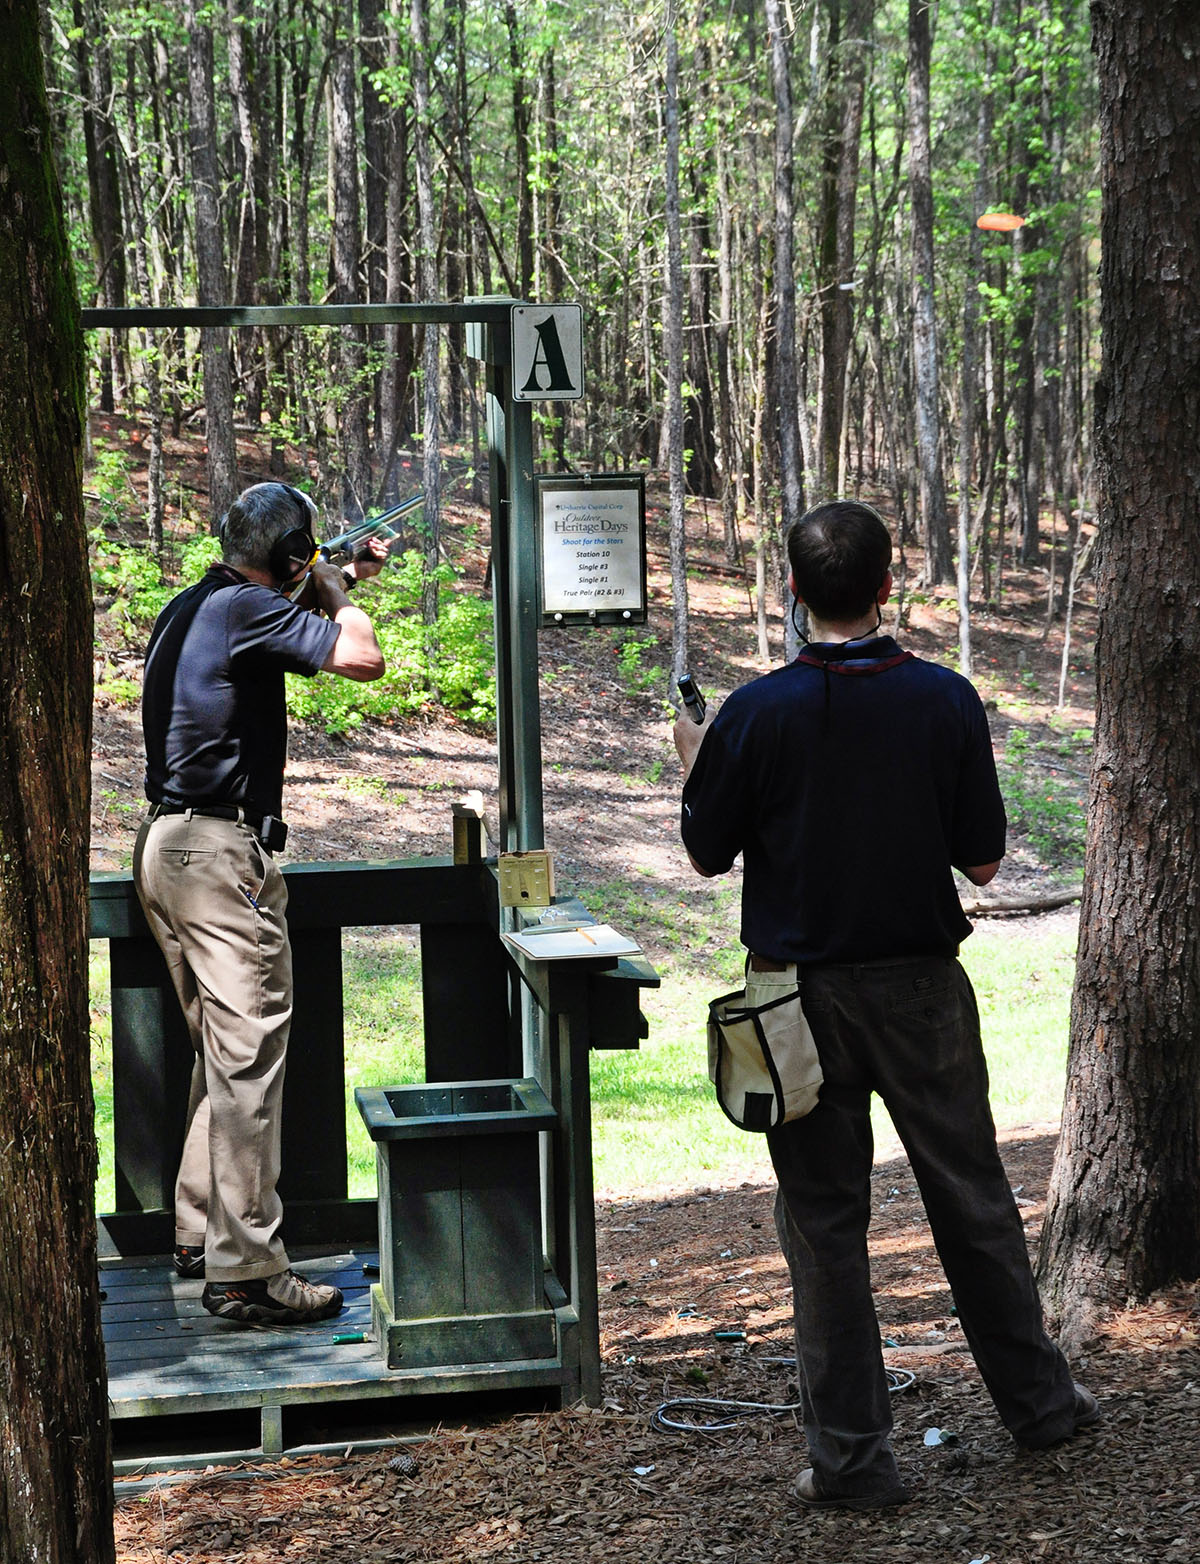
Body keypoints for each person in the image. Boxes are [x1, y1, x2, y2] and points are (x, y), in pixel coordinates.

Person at [673, 500, 1097, 1510]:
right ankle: (1040, 1407)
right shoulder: (945, 700)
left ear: (792, 594)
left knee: (823, 1230)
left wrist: (697, 759)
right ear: (886, 587)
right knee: (973, 1197)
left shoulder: (754, 712)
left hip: (795, 1002)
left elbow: (703, 852)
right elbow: (985, 862)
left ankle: (854, 1463)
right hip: (920, 992)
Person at [133, 481, 386, 1325]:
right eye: (301, 558)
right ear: (285, 559)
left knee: (222, 1054)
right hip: (215, 854)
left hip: (169, 850)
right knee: (247, 1063)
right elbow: (360, 656)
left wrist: (327, 576)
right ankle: (245, 1272)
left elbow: (288, 630)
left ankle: (201, 1231)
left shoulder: (198, 604)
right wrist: (339, 588)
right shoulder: (247, 607)